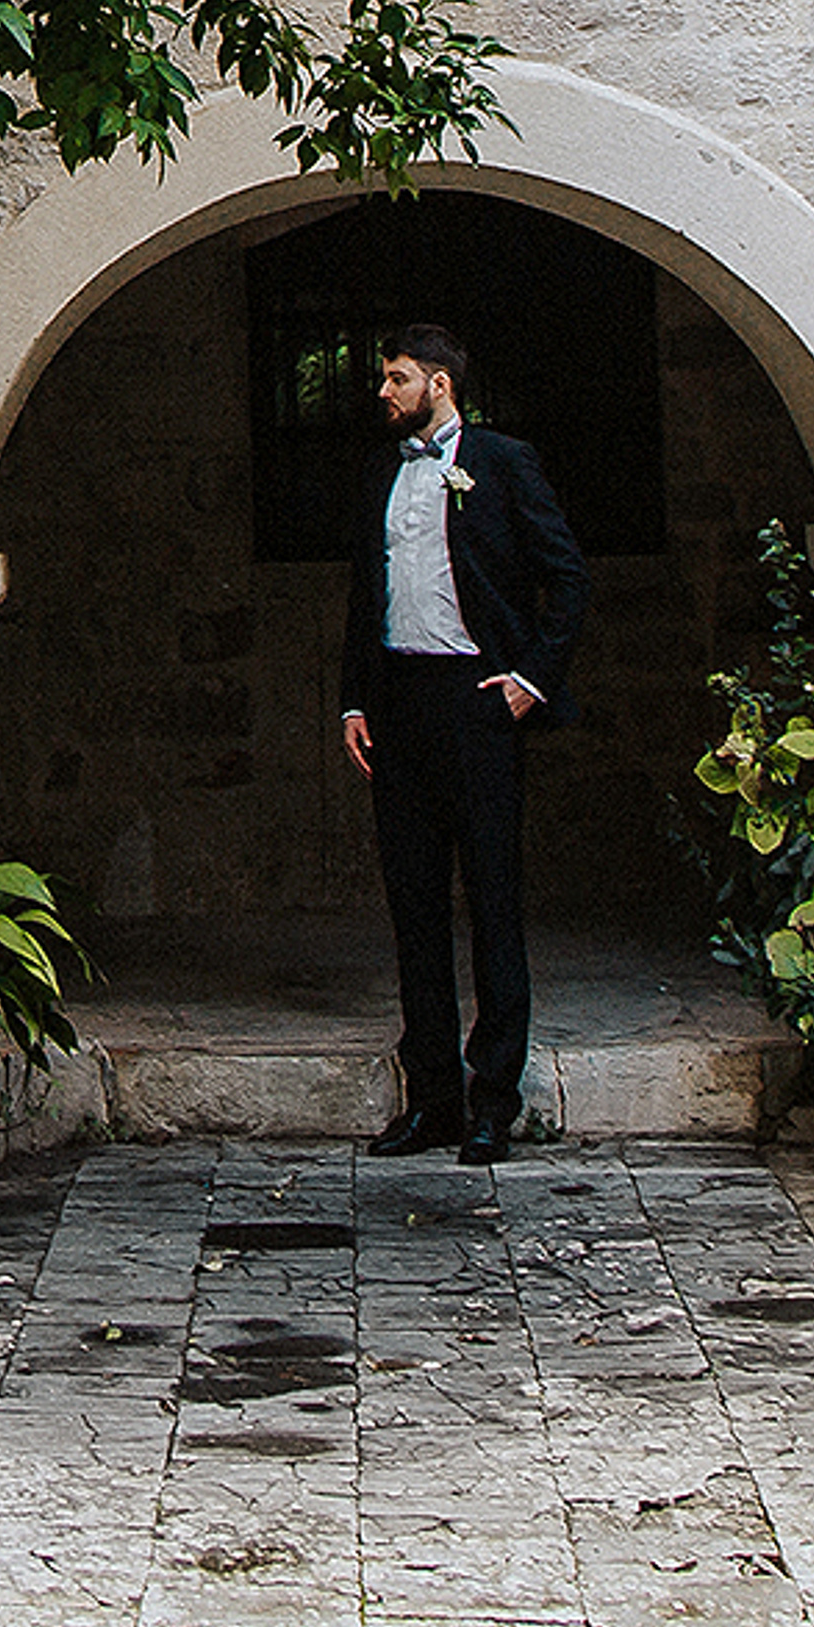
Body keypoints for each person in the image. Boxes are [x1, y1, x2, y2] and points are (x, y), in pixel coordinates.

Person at [339, 321, 589, 1166]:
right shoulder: (382, 468)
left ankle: (494, 1102)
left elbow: (568, 578)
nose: (384, 391)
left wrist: (528, 679)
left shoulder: (503, 460)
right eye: (385, 377)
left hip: (477, 702)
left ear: (439, 384)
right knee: (413, 910)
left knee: (491, 904)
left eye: (397, 377)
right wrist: (352, 703)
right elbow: (362, 594)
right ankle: (433, 1100)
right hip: (398, 707)